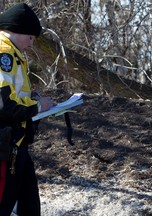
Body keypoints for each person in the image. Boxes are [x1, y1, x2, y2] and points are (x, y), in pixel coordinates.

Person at [0, 3, 53, 215]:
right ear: (16, 30)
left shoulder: (13, 54)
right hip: (5, 148)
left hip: (16, 144)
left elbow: (13, 94)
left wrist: (33, 99)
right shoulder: (4, 54)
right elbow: (4, 105)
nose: (31, 44)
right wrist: (39, 106)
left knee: (29, 207)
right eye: (30, 37)